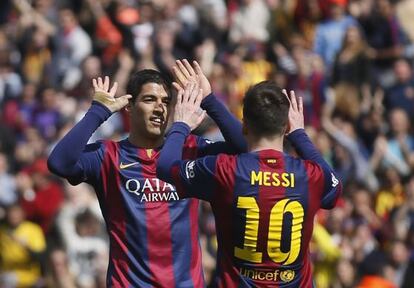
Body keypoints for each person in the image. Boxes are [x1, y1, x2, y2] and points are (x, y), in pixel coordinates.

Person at [47, 60, 246, 287]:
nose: (159, 107)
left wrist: (209, 100)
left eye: (165, 101)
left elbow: (245, 148)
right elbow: (59, 162)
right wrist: (98, 112)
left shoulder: (191, 149)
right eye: (150, 99)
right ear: (129, 107)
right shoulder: (108, 155)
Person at [157, 81, 342, 287]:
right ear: (286, 125)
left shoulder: (225, 169)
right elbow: (334, 188)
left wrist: (181, 124)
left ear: (244, 125)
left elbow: (165, 166)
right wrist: (299, 134)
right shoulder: (310, 175)